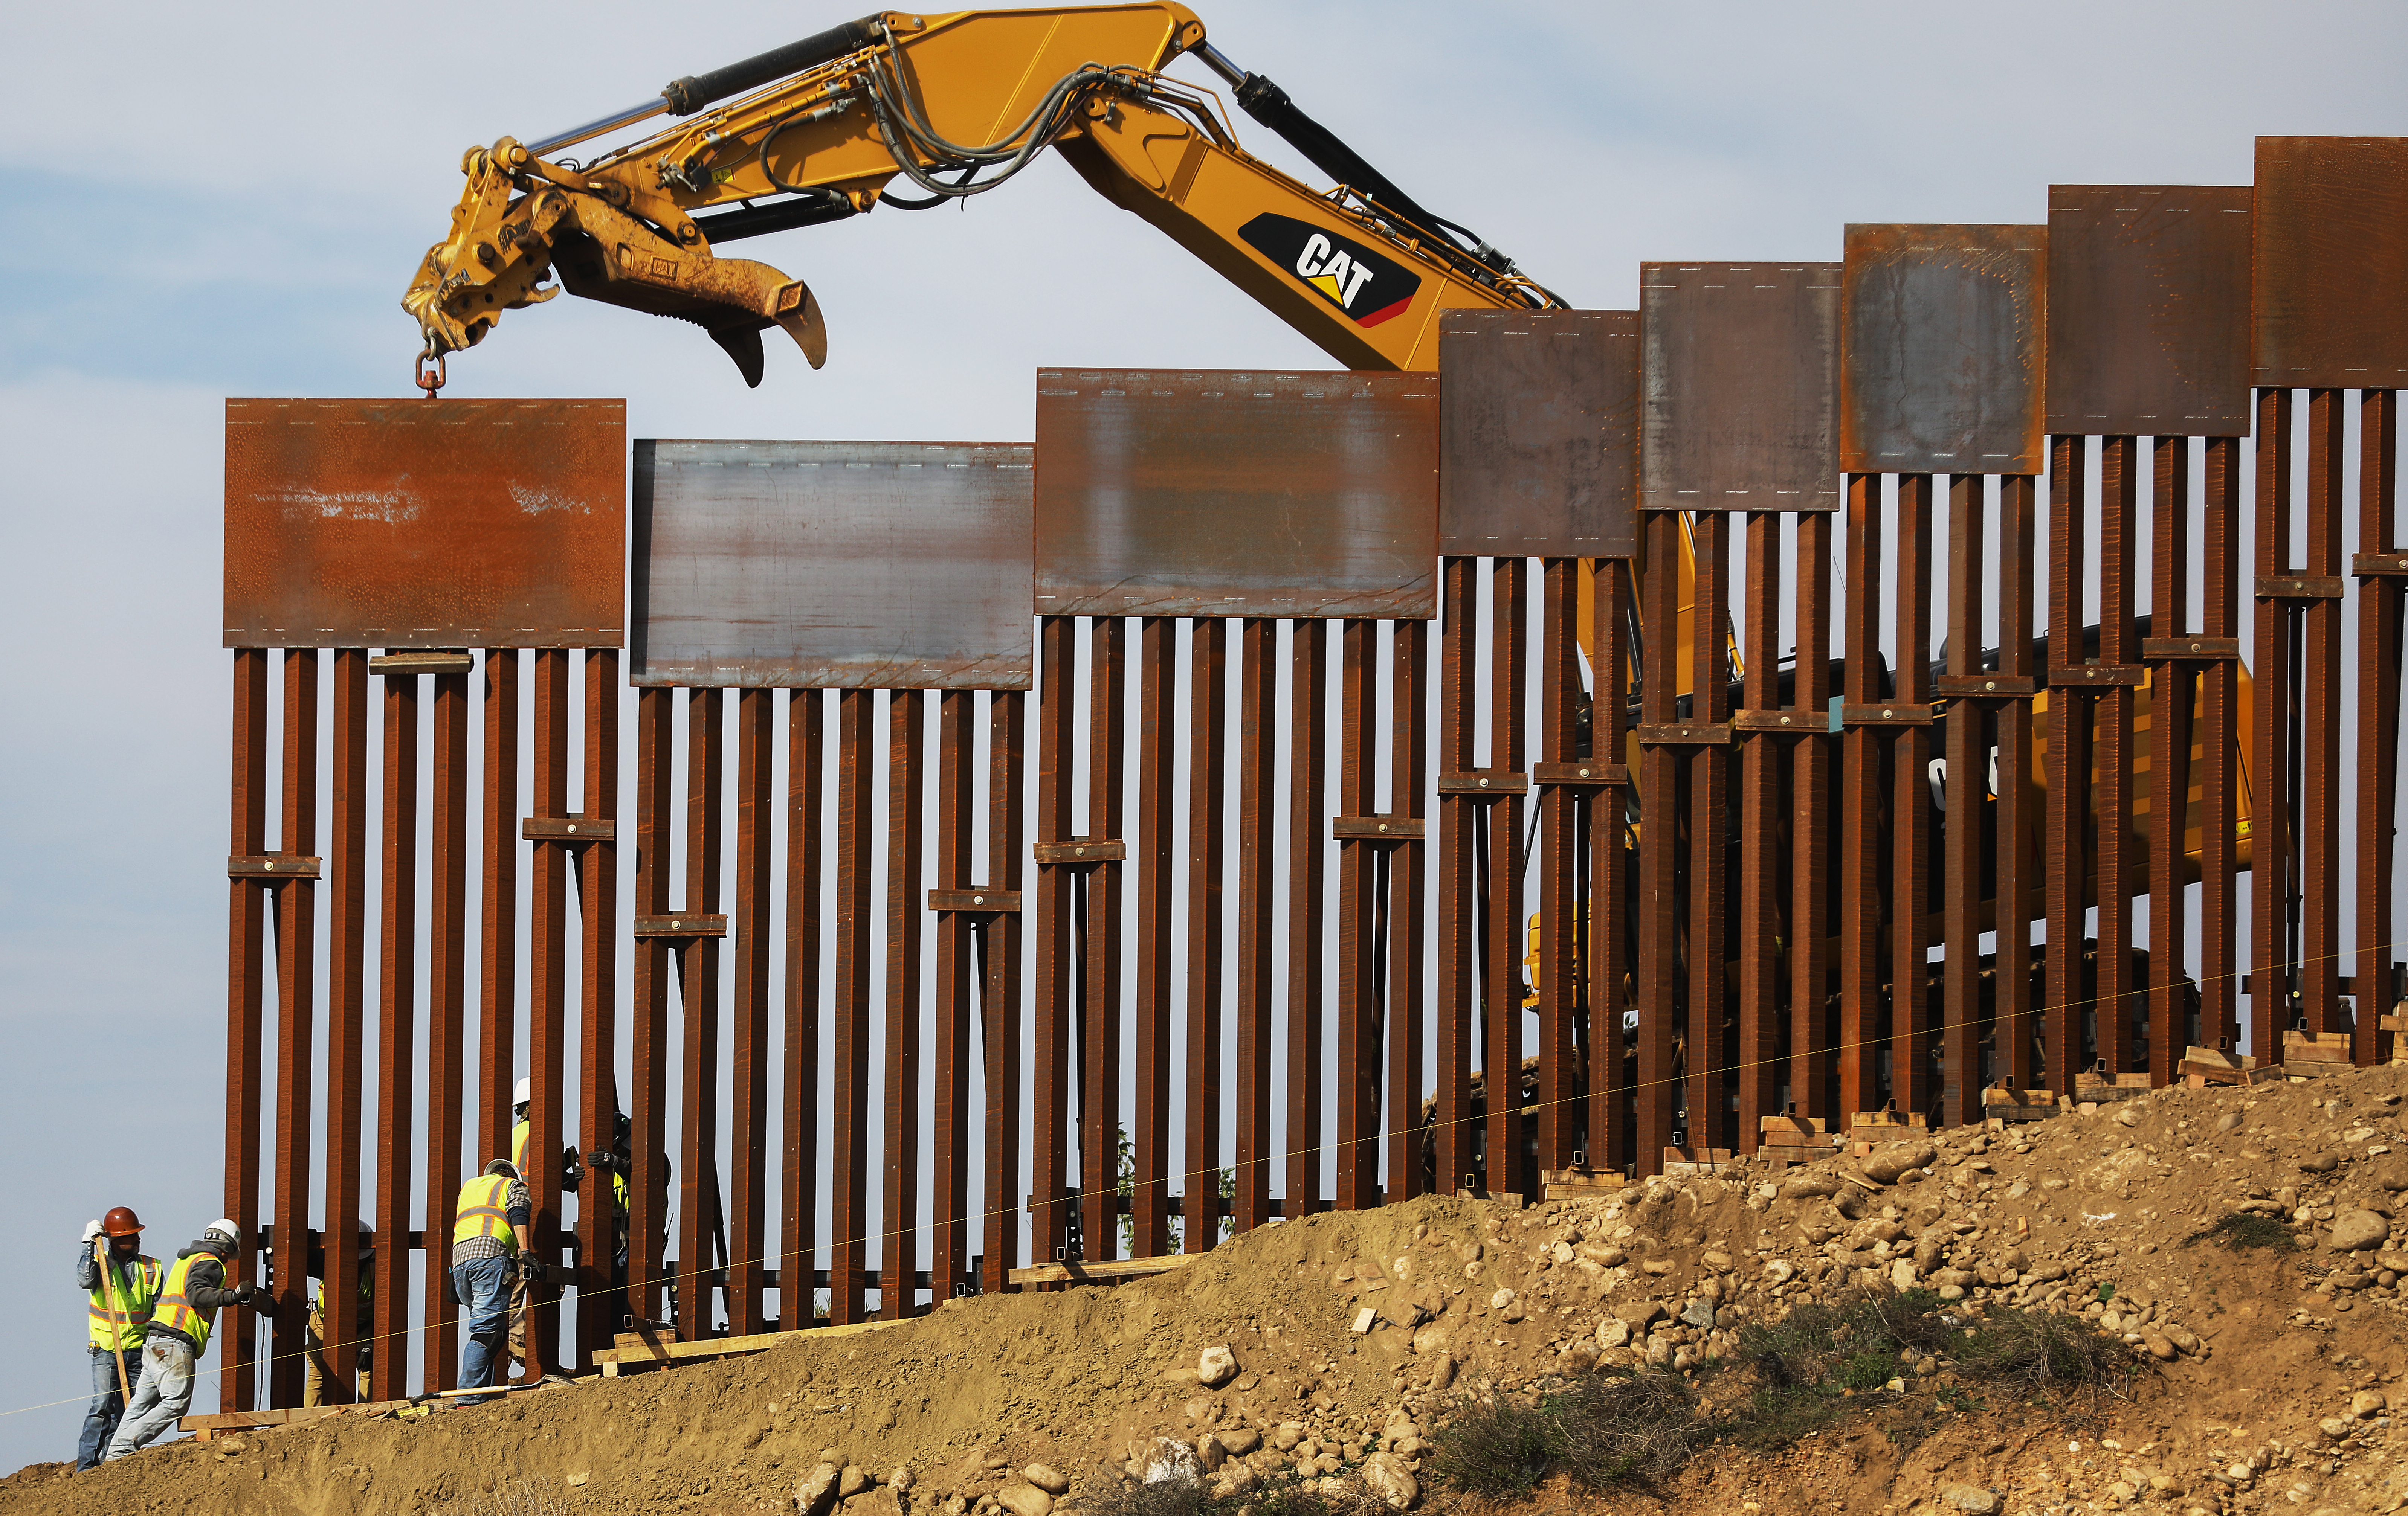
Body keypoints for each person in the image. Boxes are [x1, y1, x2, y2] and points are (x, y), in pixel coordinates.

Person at [104, 1219, 252, 1461]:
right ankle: (124, 1446)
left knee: (140, 1404)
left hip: (156, 1341)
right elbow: (197, 1294)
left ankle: (114, 1455)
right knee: (176, 1402)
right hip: (174, 1343)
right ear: (228, 1249)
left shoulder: (188, 1259)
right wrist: (233, 1295)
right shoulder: (211, 1262)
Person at [75, 1208, 161, 1472]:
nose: (137, 1240)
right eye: (131, 1236)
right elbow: (85, 1280)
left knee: (132, 1410)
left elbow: (159, 1307)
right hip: (107, 1350)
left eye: (137, 1235)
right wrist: (89, 1246)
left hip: (138, 1349)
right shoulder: (102, 1264)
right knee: (102, 1406)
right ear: (115, 1240)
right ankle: (87, 1466)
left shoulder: (152, 1267)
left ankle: (114, 1462)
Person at [450, 1159, 538, 1406]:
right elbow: (519, 1214)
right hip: (489, 1260)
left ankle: (481, 1394)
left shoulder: (470, 1188)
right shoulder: (513, 1186)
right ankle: (467, 1397)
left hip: (460, 1264)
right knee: (487, 1334)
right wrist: (525, 1252)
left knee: (495, 1332)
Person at [302, 1252, 373, 1406]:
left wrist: (371, 1344)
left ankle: (368, 1417)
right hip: (323, 1323)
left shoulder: (374, 1271)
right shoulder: (329, 1263)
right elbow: (309, 1264)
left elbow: (385, 1310)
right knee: (317, 1371)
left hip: (362, 1326)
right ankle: (311, 1421)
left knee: (366, 1368)